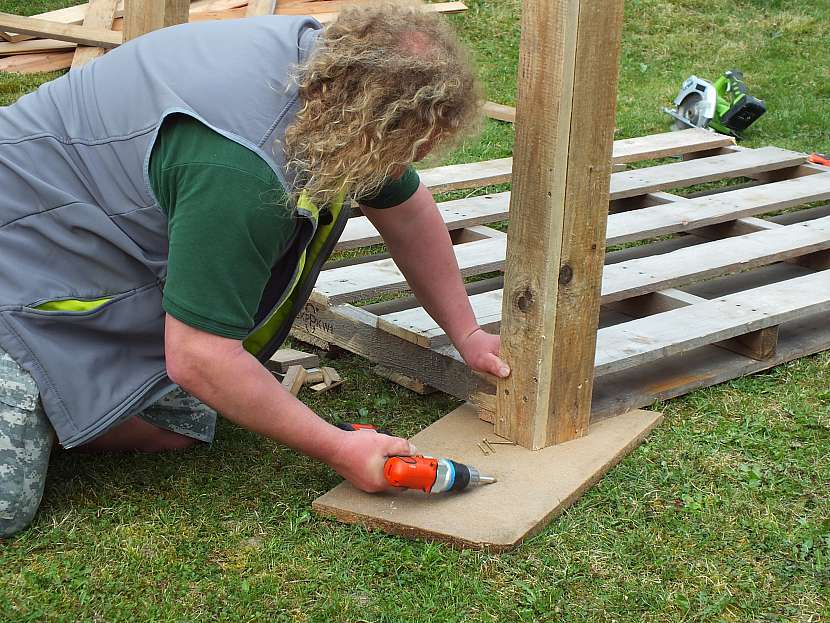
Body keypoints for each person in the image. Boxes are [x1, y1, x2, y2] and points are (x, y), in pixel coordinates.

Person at [0, 3, 509, 538]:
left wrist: (467, 333)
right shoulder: (240, 170)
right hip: (18, 256)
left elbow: (405, 209)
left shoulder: (327, 75)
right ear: (373, 121)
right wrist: (340, 448)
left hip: (79, 238)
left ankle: (55, 395)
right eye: (411, 146)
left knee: (184, 422)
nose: (414, 160)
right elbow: (198, 357)